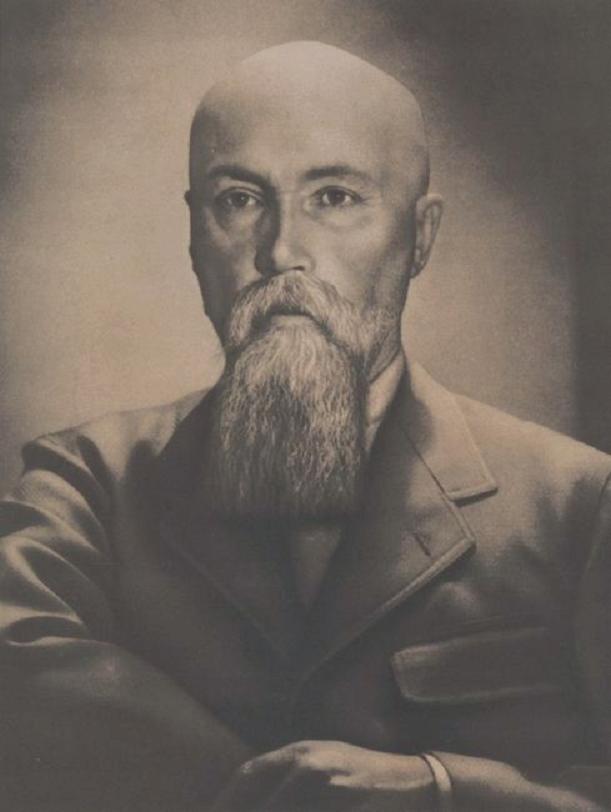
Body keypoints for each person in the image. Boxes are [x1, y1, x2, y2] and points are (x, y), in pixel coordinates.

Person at [0, 40, 610, 812]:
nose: (282, 252)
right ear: (194, 236)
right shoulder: (86, 484)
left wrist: (437, 790)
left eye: (334, 197)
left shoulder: (575, 504)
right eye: (239, 200)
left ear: (419, 236)